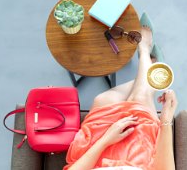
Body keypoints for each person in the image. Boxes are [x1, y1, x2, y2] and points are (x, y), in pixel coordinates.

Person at [64, 25, 178, 170]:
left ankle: (150, 75)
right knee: (138, 100)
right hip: (137, 157)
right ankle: (144, 51)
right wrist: (166, 121)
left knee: (102, 100)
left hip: (96, 156)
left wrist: (106, 140)